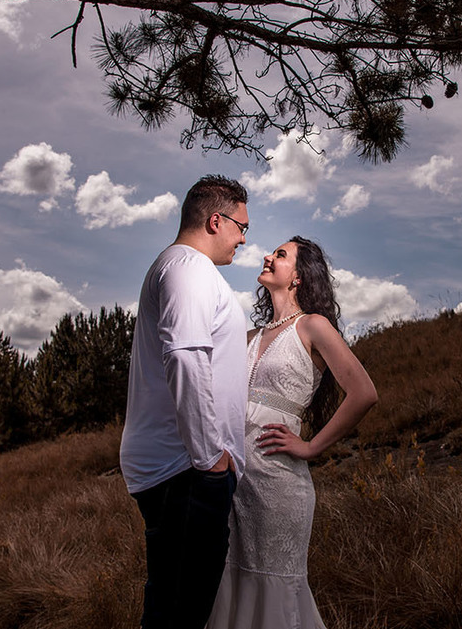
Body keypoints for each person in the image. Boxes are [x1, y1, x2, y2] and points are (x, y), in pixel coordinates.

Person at [207, 236, 378, 629]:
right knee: (231, 584)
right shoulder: (248, 337)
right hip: (235, 483)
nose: (268, 256)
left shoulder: (313, 327)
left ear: (299, 276)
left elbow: (364, 393)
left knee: (276, 591)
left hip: (279, 483)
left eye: (280, 255)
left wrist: (311, 446)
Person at [120, 174, 252, 629]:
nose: (243, 239)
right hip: (187, 474)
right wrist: (210, 458)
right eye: (241, 227)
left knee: (176, 611)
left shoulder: (184, 269)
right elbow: (185, 356)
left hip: (185, 473)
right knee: (179, 616)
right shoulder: (188, 268)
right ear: (216, 220)